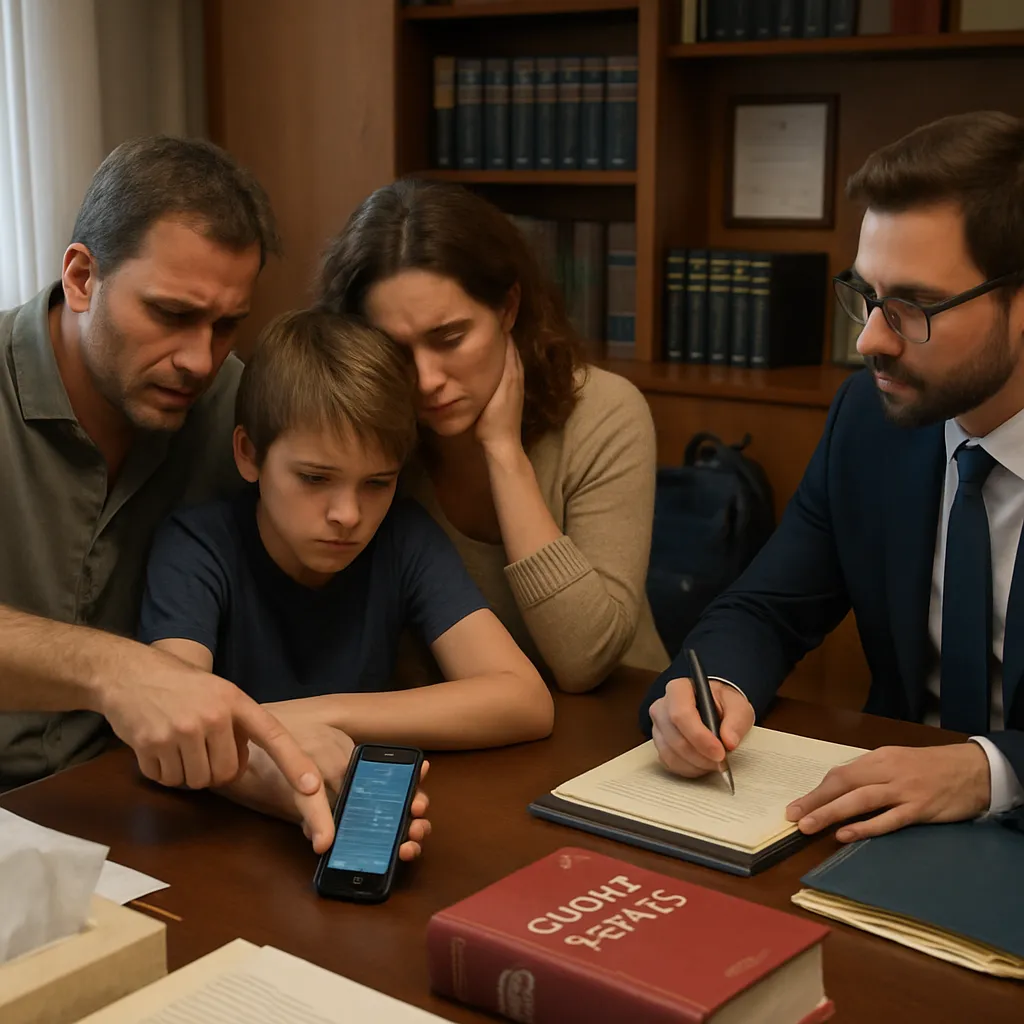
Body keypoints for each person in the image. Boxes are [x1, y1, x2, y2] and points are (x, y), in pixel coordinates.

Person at [0, 136, 405, 856]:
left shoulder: (241, 414)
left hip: (135, 807)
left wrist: (273, 761)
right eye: (170, 314)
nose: (199, 360)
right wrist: (115, 669)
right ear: (83, 277)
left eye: (225, 326)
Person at [641, 111, 1024, 838]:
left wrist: (990, 771)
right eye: (868, 296)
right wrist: (712, 687)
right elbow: (766, 608)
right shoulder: (869, 421)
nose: (869, 338)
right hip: (890, 829)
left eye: (914, 306)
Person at [136, 308, 554, 823]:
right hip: (213, 826)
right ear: (248, 454)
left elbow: (525, 700)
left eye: (377, 483)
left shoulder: (402, 536)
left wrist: (303, 717)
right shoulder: (197, 547)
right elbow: (175, 723)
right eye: (315, 479)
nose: (349, 515)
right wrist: (281, 740)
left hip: (349, 802)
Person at [316, 180, 668, 694]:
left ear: (508, 309)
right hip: (460, 719)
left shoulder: (605, 413)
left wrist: (504, 453)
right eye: (395, 351)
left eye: (450, 338)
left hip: (622, 716)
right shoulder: (366, 429)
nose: (426, 380)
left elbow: (584, 662)